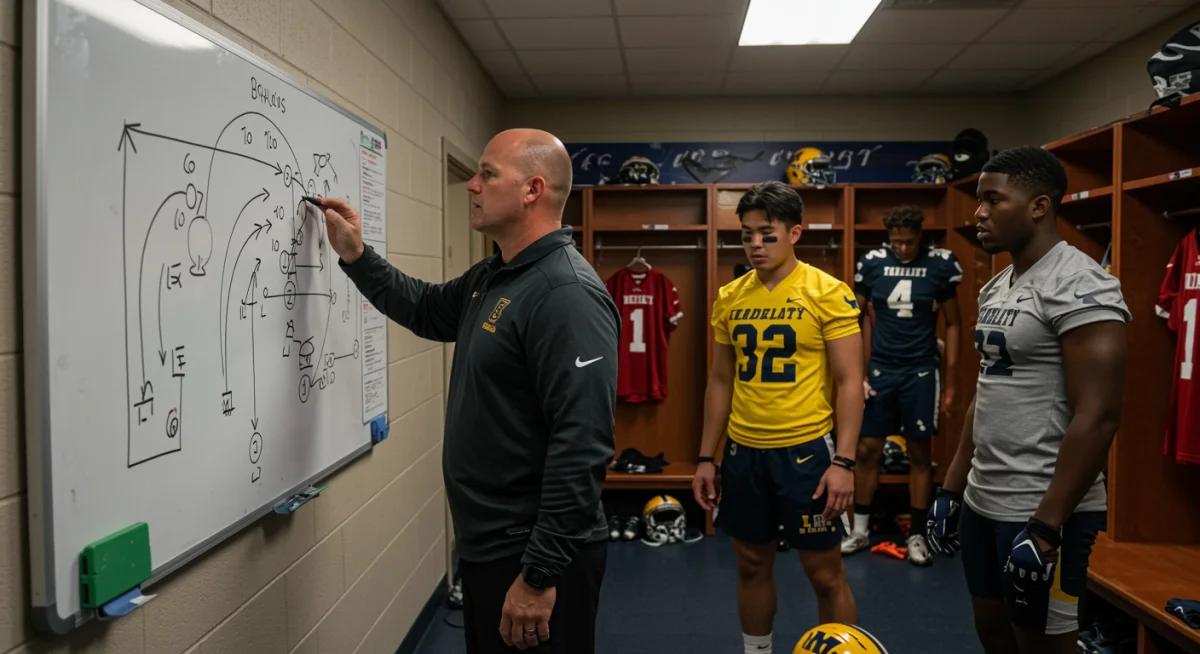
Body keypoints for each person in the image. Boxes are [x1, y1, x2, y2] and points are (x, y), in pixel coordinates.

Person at [318, 128, 620, 654]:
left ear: (532, 189)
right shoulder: (496, 274)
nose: (471, 185)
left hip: (533, 555)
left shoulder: (566, 293)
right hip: (491, 547)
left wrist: (539, 574)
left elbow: (583, 444)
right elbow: (426, 309)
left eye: (487, 174)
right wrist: (357, 255)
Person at [924, 146, 1129, 654]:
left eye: (994, 200)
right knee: (992, 629)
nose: (979, 213)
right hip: (984, 497)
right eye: (979, 200)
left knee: (1042, 644)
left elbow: (1099, 415)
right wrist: (951, 489)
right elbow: (986, 391)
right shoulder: (998, 285)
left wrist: (1047, 525)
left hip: (1041, 504)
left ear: (1039, 206)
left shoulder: (1081, 284)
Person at [693, 180, 865, 654]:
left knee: (824, 573)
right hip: (745, 453)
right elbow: (721, 380)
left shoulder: (827, 292)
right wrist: (706, 457)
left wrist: (844, 461)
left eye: (767, 235)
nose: (755, 245)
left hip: (807, 453)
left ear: (795, 233)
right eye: (747, 235)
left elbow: (851, 381)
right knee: (750, 564)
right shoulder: (731, 296)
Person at [842, 204, 963, 565]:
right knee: (867, 449)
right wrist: (857, 374)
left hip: (921, 370)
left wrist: (952, 382)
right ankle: (860, 529)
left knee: (919, 452)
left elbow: (954, 323)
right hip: (881, 368)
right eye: (897, 242)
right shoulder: (873, 263)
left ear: (920, 236)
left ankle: (917, 534)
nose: (903, 248)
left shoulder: (940, 264)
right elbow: (853, 317)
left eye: (909, 242)